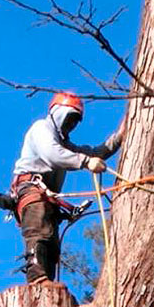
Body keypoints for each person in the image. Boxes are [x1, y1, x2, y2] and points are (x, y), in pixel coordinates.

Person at [10, 92, 124, 285]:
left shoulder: (64, 143)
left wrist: (119, 137)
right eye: (70, 118)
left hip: (46, 197)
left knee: (52, 244)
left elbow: (94, 152)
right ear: (58, 113)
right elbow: (53, 154)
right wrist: (86, 162)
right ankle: (37, 278)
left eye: (75, 121)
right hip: (31, 191)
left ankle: (47, 284)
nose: (71, 125)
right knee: (39, 232)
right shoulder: (41, 128)